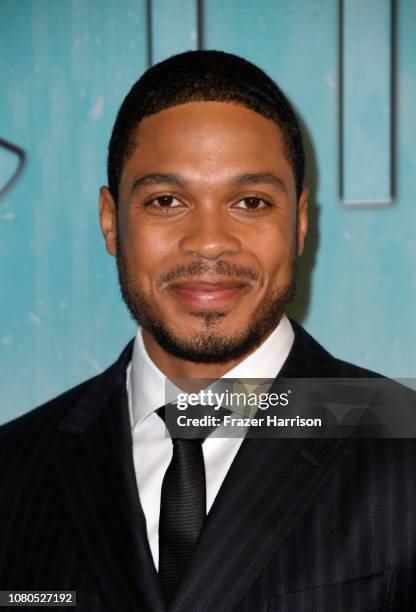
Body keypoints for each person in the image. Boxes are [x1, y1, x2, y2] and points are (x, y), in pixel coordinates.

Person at [0, 50, 415, 611]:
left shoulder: (405, 450)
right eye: (166, 201)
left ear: (297, 222)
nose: (209, 242)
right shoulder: (13, 469)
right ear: (110, 221)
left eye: (250, 202)